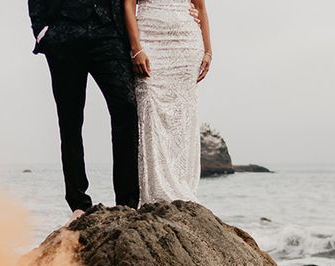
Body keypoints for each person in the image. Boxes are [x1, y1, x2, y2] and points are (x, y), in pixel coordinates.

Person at [28, 0, 140, 222]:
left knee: (126, 107)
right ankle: (78, 203)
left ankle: (127, 202)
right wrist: (42, 32)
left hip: (109, 32)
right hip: (63, 34)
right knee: (70, 120)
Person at [124, 0, 212, 205]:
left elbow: (200, 7)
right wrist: (136, 48)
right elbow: (128, 5)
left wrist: (208, 51)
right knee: (149, 107)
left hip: (186, 43)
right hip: (149, 39)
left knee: (182, 115)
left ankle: (183, 187)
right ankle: (154, 193)